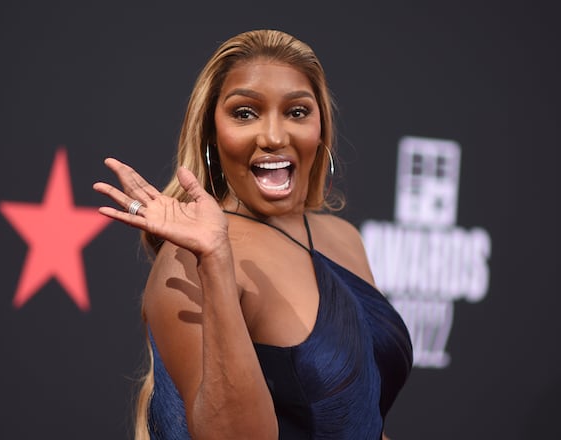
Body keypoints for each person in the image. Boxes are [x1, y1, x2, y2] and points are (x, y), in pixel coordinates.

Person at [93, 29, 412, 440]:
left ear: (322, 126)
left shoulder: (344, 238)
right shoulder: (188, 258)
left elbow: (366, 418)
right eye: (245, 113)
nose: (274, 137)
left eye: (297, 112)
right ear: (211, 132)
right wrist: (216, 262)